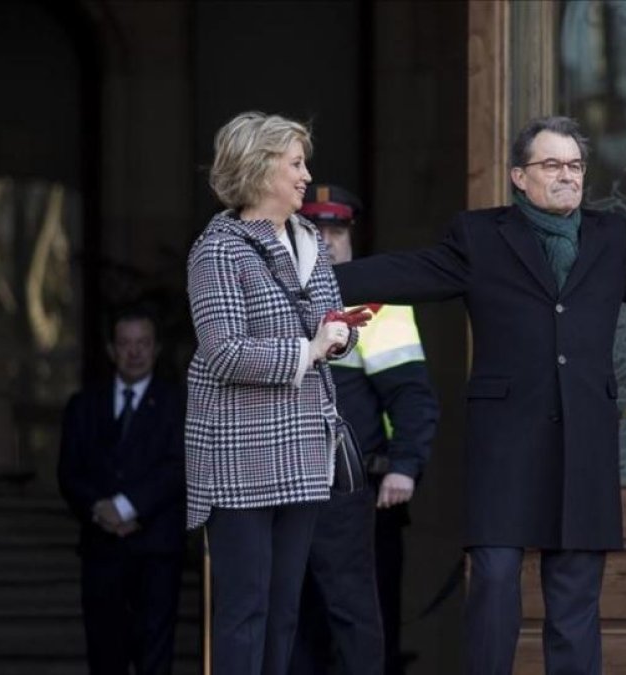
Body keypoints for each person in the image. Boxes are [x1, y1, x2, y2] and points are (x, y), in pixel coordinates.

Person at [333, 115, 626, 674]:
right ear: (519, 177)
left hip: (584, 440)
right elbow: (409, 272)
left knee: (575, 596)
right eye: (552, 165)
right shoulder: (480, 236)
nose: (567, 176)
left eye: (575, 166)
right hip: (506, 441)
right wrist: (307, 279)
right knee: (496, 584)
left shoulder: (609, 237)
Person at [185, 111, 357, 675]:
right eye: (296, 163)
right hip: (239, 454)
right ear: (260, 170)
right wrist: (307, 350)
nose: (306, 175)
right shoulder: (218, 250)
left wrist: (339, 339)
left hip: (305, 449)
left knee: (284, 611)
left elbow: (328, 324)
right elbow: (225, 350)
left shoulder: (310, 241)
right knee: (245, 612)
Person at [291, 184, 439, 675]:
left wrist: (405, 466)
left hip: (362, 494)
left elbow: (412, 395)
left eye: (338, 231)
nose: (328, 241)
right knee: (293, 630)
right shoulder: (276, 296)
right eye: (317, 231)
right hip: (287, 487)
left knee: (361, 627)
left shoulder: (378, 305)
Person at [57, 305, 186, 675]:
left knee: (154, 659)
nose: (134, 352)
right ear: (112, 349)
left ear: (156, 348)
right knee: (104, 657)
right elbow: (69, 472)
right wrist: (101, 509)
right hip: (102, 553)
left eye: (143, 343)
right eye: (125, 344)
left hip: (156, 553)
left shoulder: (177, 404)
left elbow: (178, 467)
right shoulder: (83, 405)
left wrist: (128, 507)